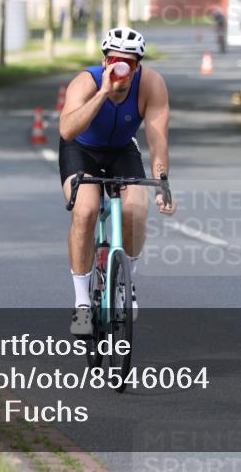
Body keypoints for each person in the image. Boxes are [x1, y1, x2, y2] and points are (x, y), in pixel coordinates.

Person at [58, 27, 177, 336]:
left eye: (130, 63)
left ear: (138, 66)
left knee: (135, 210)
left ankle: (126, 281)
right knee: (85, 210)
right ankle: (83, 302)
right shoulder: (86, 82)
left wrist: (162, 181)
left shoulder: (151, 84)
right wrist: (102, 93)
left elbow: (156, 138)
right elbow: (67, 130)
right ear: (105, 60)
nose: (122, 69)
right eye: (114, 61)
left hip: (122, 148)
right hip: (80, 148)